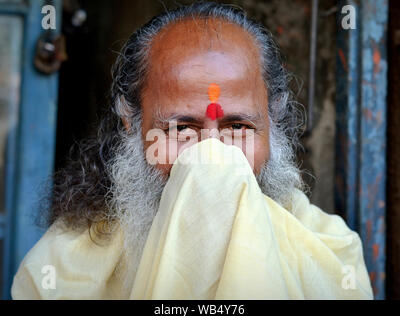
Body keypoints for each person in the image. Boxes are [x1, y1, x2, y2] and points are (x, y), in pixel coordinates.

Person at [11, 2, 373, 299]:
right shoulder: (62, 270)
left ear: (273, 125)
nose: (212, 159)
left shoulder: (331, 257)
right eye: (182, 129)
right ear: (130, 124)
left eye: (237, 128)